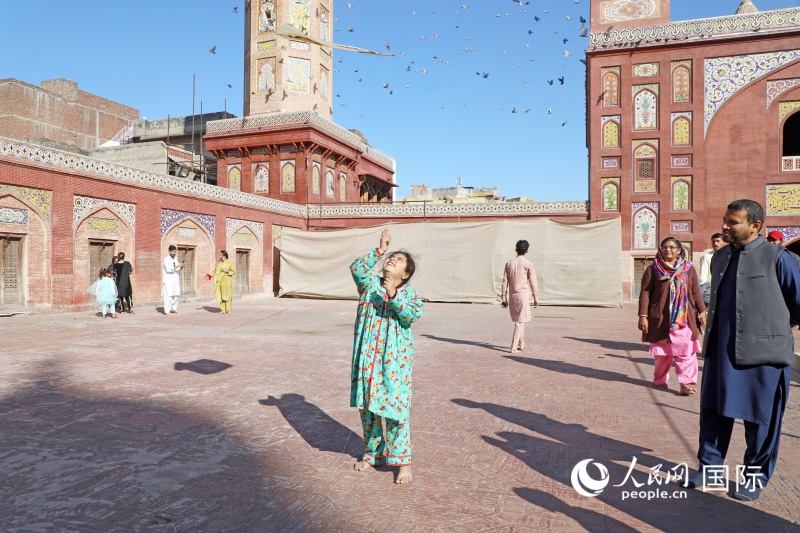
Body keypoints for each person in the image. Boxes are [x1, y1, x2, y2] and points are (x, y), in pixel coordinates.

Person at [683, 199, 800, 501]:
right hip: (721, 353)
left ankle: (754, 479)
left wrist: (771, 328)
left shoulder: (779, 258)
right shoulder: (720, 257)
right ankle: (709, 471)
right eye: (725, 220)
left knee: (760, 421)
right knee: (713, 414)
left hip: (764, 357)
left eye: (732, 222)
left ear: (756, 226)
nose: (725, 226)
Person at [350, 229, 423, 485]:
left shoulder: (409, 295)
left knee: (395, 411)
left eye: (399, 260)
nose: (392, 260)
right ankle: (373, 454)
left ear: (406, 274)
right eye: (391, 257)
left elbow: (410, 316)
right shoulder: (369, 286)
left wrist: (393, 294)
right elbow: (356, 268)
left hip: (393, 364)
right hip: (367, 360)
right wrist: (379, 249)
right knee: (368, 410)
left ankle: (404, 462)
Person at [638, 238, 706, 395]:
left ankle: (685, 383)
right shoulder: (653, 269)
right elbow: (645, 293)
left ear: (679, 250)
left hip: (684, 318)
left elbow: (695, 291)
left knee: (687, 351)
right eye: (664, 247)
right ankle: (660, 379)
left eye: (672, 247)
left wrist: (702, 310)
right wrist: (643, 315)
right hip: (661, 318)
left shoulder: (688, 268)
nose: (668, 250)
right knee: (663, 354)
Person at [501, 240, 539, 354]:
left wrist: (503, 297)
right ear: (526, 250)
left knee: (519, 320)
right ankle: (513, 347)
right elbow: (533, 282)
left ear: (516, 249)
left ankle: (521, 343)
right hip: (522, 295)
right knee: (520, 322)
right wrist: (536, 297)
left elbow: (504, 282)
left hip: (512, 295)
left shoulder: (508, 263)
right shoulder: (527, 264)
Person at [699, 233, 724, 307]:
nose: (715, 243)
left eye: (718, 241)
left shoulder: (728, 256)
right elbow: (703, 276)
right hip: (710, 288)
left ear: (724, 242)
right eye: (713, 241)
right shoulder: (707, 257)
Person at [162, 245, 184, 315]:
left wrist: (181, 266)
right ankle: (167, 310)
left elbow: (177, 269)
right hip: (169, 280)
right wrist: (177, 266)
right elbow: (169, 269)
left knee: (176, 294)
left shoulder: (175, 259)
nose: (174, 253)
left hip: (175, 279)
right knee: (169, 295)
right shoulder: (166, 259)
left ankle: (174, 308)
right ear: (169, 251)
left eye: (175, 251)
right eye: (173, 251)